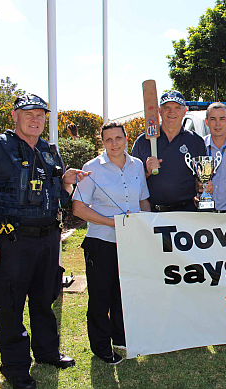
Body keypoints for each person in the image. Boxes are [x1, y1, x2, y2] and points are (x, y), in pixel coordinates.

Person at [0, 94, 88, 389]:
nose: (35, 119)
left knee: (45, 299)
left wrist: (67, 182)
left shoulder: (49, 151)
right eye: (29, 114)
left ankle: (47, 352)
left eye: (40, 115)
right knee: (11, 305)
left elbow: (58, 195)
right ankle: (15, 367)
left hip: (48, 239)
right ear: (14, 116)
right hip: (12, 240)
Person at [72, 121, 151, 365]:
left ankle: (121, 337)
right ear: (102, 142)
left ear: (126, 139)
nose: (114, 144)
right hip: (102, 241)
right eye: (108, 140)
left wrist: (145, 224)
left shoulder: (137, 165)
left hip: (130, 241)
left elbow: (144, 200)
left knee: (124, 292)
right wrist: (110, 222)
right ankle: (101, 347)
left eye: (118, 138)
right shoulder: (91, 168)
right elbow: (78, 208)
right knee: (100, 297)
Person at [131, 90, 206, 212]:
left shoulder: (195, 141)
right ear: (159, 111)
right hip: (151, 212)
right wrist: (146, 171)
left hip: (186, 212)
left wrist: (202, 186)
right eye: (167, 107)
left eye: (177, 107)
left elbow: (201, 178)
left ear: (184, 112)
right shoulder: (143, 141)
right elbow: (130, 181)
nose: (172, 112)